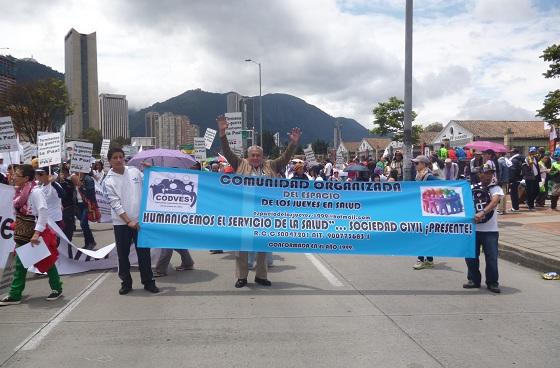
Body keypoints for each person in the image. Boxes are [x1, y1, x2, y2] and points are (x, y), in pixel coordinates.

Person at [217, 115, 301, 288]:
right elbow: (227, 152)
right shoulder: (239, 163)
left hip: (265, 212)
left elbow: (285, 157)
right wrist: (222, 133)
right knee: (242, 246)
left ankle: (261, 276)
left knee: (262, 245)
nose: (255, 157)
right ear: (248, 156)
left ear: (263, 156)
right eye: (252, 155)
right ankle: (241, 277)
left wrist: (293, 143)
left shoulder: (271, 165)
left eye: (258, 155)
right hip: (244, 211)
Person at [0, 165, 63, 306]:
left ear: (26, 178)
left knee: (47, 262)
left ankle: (57, 288)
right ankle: (15, 294)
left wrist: (36, 233)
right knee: (20, 264)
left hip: (35, 233)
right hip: (22, 233)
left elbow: (43, 212)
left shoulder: (35, 192)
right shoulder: (19, 192)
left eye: (17, 175)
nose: (14, 177)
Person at [103, 147, 159, 295]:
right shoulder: (108, 181)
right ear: (110, 161)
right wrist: (128, 221)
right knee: (123, 255)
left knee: (144, 253)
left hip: (140, 221)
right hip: (122, 223)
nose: (118, 160)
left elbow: (149, 182)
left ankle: (148, 282)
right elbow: (115, 204)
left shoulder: (134, 171)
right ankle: (126, 283)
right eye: (115, 157)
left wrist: (149, 170)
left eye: (121, 157)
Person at [464, 163, 503, 293]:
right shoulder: (470, 187)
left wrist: (483, 212)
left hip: (490, 230)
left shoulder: (495, 188)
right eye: (486, 173)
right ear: (479, 174)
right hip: (473, 229)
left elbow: (494, 201)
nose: (488, 176)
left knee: (491, 258)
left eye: (491, 173)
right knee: (471, 257)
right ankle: (474, 280)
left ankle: (492, 282)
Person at [412, 155, 437, 270]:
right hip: (420, 208)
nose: (415, 165)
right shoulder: (418, 176)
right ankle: (430, 260)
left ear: (424, 164)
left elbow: (442, 184)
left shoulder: (429, 177)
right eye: (415, 163)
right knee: (426, 234)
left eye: (417, 163)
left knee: (422, 234)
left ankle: (421, 259)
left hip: (428, 209)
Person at [72, 171, 97, 249]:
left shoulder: (88, 179)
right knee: (84, 225)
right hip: (78, 205)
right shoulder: (74, 177)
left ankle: (91, 242)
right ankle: (88, 242)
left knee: (83, 224)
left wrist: (82, 187)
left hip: (87, 204)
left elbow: (91, 193)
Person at [522, 147, 540, 211]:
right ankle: (531, 205)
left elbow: (537, 168)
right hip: (529, 178)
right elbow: (525, 169)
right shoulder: (527, 159)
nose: (533, 153)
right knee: (530, 192)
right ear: (529, 152)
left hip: (536, 177)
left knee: (537, 191)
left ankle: (528, 201)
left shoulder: (535, 158)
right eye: (532, 152)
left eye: (534, 152)